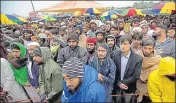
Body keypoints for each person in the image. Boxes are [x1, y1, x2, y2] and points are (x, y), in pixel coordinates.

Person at [112, 35, 142, 103]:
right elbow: (113, 71)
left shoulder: (138, 59)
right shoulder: (115, 54)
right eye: (121, 44)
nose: (122, 46)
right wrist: (118, 83)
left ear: (130, 44)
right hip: (116, 87)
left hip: (129, 87)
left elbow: (136, 76)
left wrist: (122, 83)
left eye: (125, 44)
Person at [136, 38, 162, 103]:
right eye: (145, 48)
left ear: (153, 48)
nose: (147, 50)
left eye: (149, 48)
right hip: (138, 87)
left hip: (153, 88)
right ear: (141, 47)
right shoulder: (135, 56)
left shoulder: (158, 59)